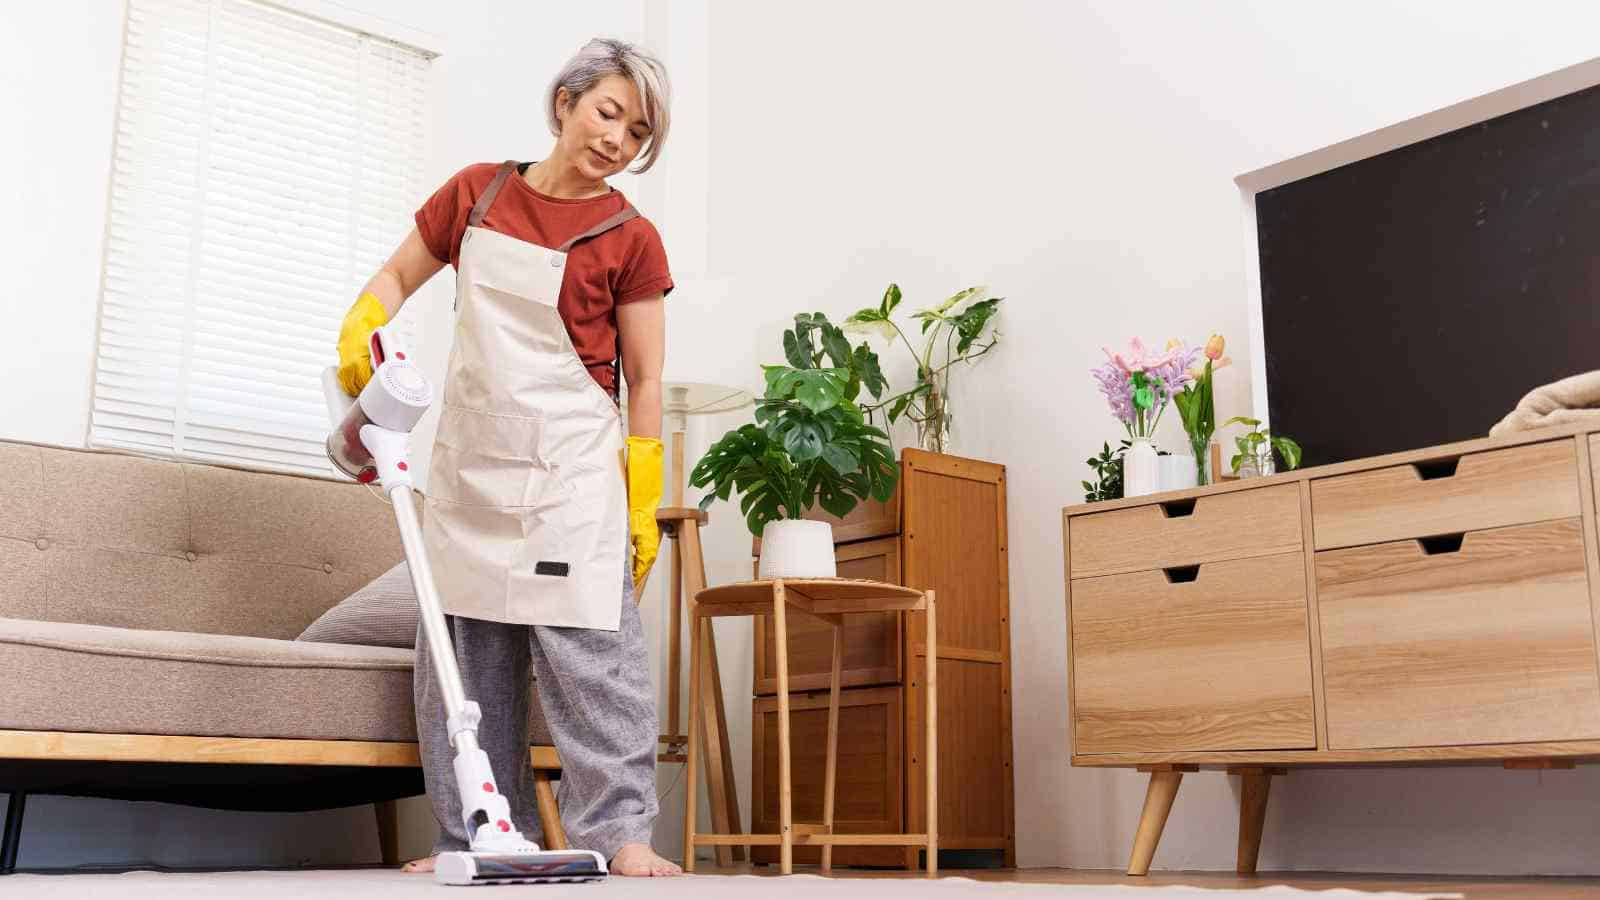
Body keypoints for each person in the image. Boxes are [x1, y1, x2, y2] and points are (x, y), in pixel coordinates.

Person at [333, 37, 680, 878]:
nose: (616, 140)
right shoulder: (476, 193)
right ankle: (479, 837)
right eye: (608, 113)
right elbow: (396, 277)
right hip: (474, 465)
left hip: (569, 470)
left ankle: (621, 834)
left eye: (637, 134)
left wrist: (641, 494)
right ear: (564, 102)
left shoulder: (631, 237)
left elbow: (644, 378)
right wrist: (361, 326)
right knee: (462, 663)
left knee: (593, 662)